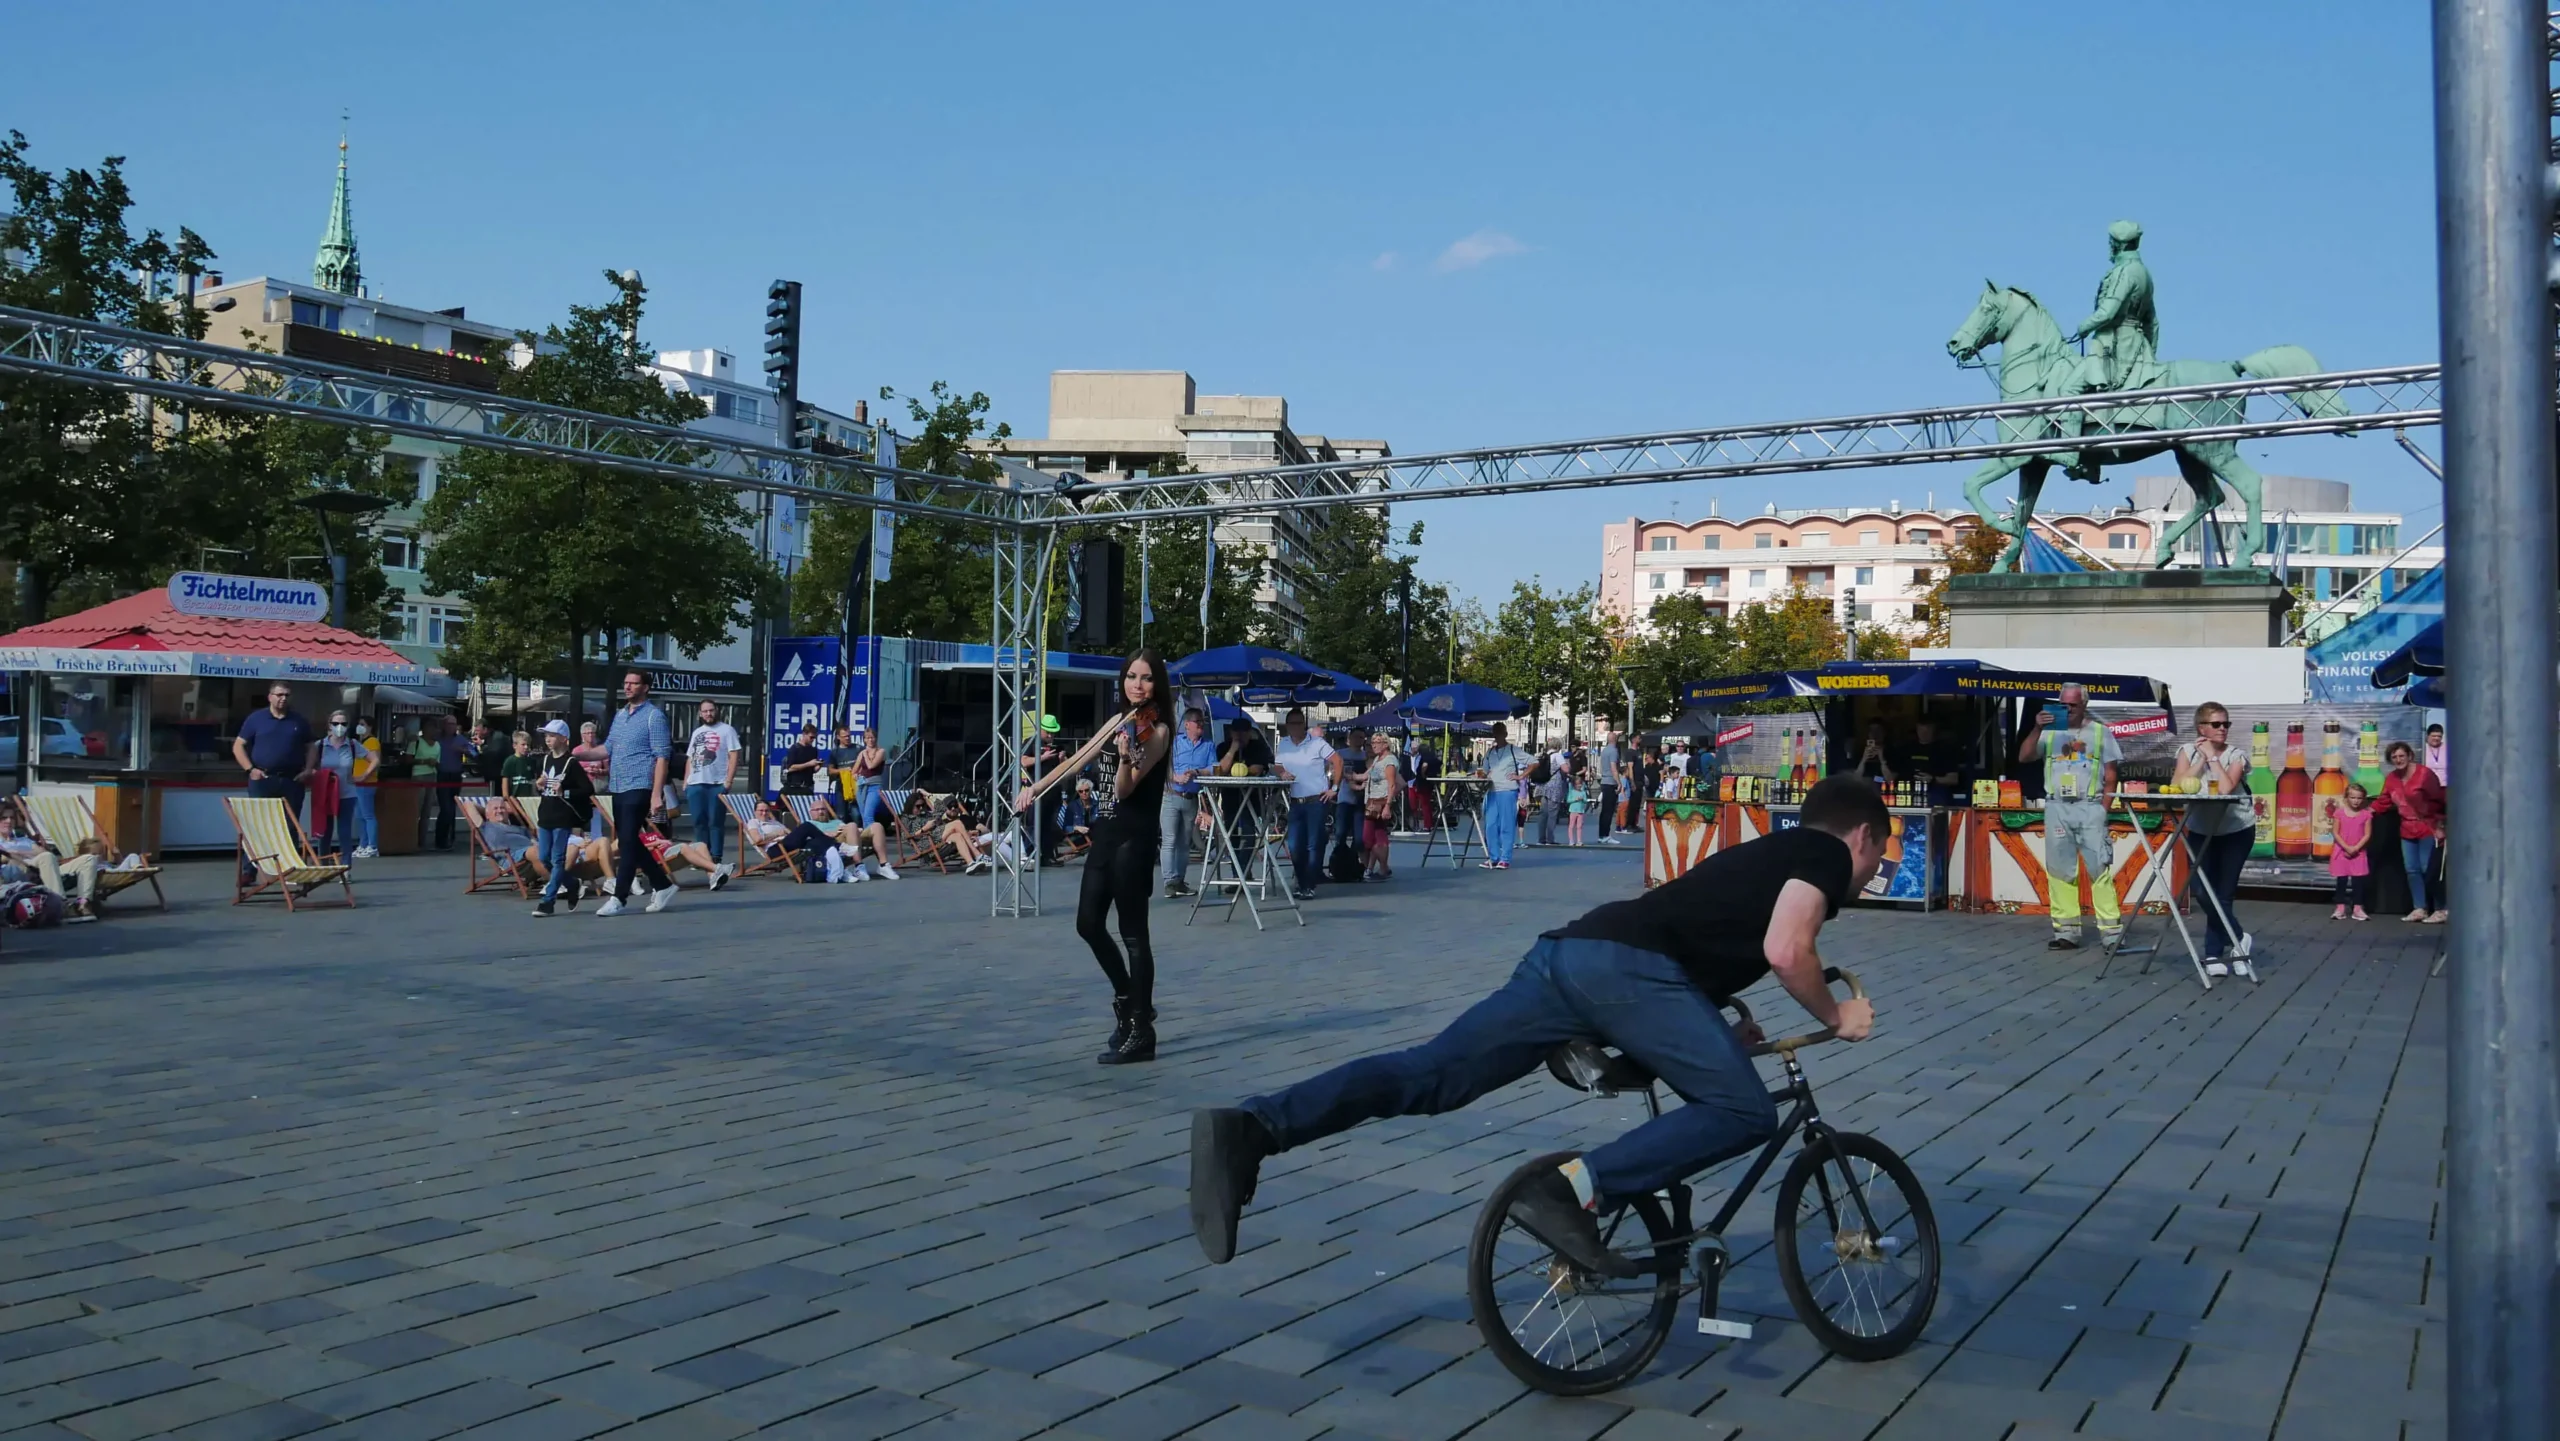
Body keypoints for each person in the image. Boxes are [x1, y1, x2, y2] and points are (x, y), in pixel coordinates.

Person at [1190, 775, 1890, 1271]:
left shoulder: (1766, 853)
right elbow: (1787, 949)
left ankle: (1254, 1127)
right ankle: (1572, 1189)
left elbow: (1701, 934)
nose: (1870, 873)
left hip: (1569, 954)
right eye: (1876, 857)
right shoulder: (1823, 854)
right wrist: (1838, 1013)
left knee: (1432, 1073)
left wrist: (1710, 1022)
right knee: (1743, 1109)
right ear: (1860, 835)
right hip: (1624, 971)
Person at [1014, 651, 1174, 1066]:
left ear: (1158, 685)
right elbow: (1077, 759)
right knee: (1087, 924)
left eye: (1146, 678)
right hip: (1106, 836)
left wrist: (1123, 758)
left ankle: (1142, 1028)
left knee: (1134, 934)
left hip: (1133, 840)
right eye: (1131, 677)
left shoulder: (1157, 731)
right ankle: (1128, 997)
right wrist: (1035, 788)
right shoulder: (1119, 721)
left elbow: (1123, 791)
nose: (1137, 685)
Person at [2019, 684, 2122, 951]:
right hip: (2057, 807)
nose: (2068, 709)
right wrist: (2037, 728)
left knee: (2099, 868)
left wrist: (2104, 808)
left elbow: (2111, 775)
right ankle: (2066, 932)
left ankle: (2111, 934)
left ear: (2085, 705)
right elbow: (2025, 756)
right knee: (2060, 870)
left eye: (2073, 705)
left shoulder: (2100, 732)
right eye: (2063, 704)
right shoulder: (2051, 731)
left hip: (2090, 807)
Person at [2170, 701, 2256, 979]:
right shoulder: (2186, 751)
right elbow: (2179, 784)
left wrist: (2214, 758)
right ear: (2202, 727)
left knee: (2223, 894)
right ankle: (2239, 938)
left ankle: (2212, 954)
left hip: (2235, 830)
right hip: (2200, 829)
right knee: (2202, 891)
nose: (2222, 729)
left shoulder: (2236, 755)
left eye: (2226, 724)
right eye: (2217, 724)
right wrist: (2201, 758)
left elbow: (2227, 787)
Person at [597, 671, 676, 916]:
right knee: (629, 840)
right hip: (618, 785)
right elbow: (606, 749)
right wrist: (575, 754)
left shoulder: (654, 717)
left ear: (646, 687)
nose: (628, 687)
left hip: (640, 784)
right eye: (626, 683)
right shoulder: (620, 715)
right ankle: (662, 884)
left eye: (634, 683)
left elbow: (662, 757)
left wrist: (656, 795)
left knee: (629, 838)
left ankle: (619, 898)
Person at [233, 683, 318, 884]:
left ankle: (289, 868)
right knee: (257, 825)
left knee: (290, 826)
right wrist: (250, 769)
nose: (283, 699)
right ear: (270, 697)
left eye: (287, 695)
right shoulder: (256, 719)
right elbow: (238, 746)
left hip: (291, 779)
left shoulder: (299, 720)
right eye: (279, 695)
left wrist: (308, 769)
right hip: (263, 778)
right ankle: (249, 870)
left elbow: (311, 747)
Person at [530, 719, 598, 917]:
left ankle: (548, 901)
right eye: (546, 736)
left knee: (558, 859)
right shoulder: (545, 760)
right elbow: (541, 785)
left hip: (562, 815)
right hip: (546, 813)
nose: (547, 739)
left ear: (563, 739)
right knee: (544, 857)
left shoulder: (571, 763)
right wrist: (539, 784)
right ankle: (571, 883)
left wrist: (565, 791)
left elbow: (587, 789)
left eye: (551, 736)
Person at [1272, 708, 1337, 902]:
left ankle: (1308, 884)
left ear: (1304, 725)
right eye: (1291, 723)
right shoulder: (1283, 743)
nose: (1294, 727)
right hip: (1296, 800)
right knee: (1294, 845)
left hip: (1316, 799)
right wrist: (1282, 772)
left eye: (1298, 723)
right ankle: (1302, 882)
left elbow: (1337, 761)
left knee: (1313, 843)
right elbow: (1276, 764)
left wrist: (1334, 787)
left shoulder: (1317, 743)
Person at [2379, 740, 2446, 923]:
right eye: (2394, 757)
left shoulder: (2425, 774)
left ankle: (2441, 908)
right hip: (2406, 829)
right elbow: (2384, 800)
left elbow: (2439, 800)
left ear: (2409, 756)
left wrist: (2441, 826)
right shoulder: (2392, 778)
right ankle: (2420, 908)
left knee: (2429, 869)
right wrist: (2364, 812)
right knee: (2412, 870)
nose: (2398, 759)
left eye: (2401, 755)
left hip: (2427, 827)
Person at [0, 809, 99, 919]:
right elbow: (5, 858)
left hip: (48, 868)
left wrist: (17, 852)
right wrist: (24, 855)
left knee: (88, 859)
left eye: (11, 818)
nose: (8, 821)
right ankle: (61, 904)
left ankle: (83, 903)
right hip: (24, 871)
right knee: (46, 857)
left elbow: (43, 852)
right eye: (4, 818)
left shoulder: (24, 840)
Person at [1160, 708, 1217, 898]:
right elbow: (1162, 767)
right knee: (1169, 840)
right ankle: (1169, 882)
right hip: (1171, 795)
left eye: (1202, 722)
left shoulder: (1208, 745)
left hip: (1191, 799)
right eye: (1197, 722)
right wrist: (1174, 777)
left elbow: (1213, 768)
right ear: (1187, 725)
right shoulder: (1175, 743)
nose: (1201, 725)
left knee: (1185, 842)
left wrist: (1197, 773)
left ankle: (1179, 880)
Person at [683, 702, 742, 866]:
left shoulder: (727, 730)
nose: (708, 714)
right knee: (698, 822)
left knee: (715, 822)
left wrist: (728, 781)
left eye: (711, 710)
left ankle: (716, 856)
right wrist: (686, 781)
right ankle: (702, 856)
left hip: (716, 783)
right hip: (695, 783)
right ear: (700, 714)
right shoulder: (697, 732)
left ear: (716, 711)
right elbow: (690, 757)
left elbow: (734, 755)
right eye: (705, 711)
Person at [313, 709, 363, 859]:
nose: (339, 726)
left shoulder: (353, 745)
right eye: (336, 723)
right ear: (329, 725)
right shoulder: (320, 745)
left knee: (344, 832)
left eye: (343, 723)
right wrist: (314, 774)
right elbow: (308, 763)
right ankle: (324, 865)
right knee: (324, 832)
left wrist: (362, 776)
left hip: (346, 793)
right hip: (326, 794)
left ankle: (345, 868)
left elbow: (375, 759)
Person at [1477, 722, 1525, 869]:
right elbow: (1484, 771)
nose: (1496, 736)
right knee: (1490, 824)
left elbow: (1533, 763)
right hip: (1492, 790)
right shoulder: (1490, 752)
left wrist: (1521, 776)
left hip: (1508, 790)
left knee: (1506, 824)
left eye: (1499, 732)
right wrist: (1481, 775)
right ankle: (1493, 856)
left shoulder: (1513, 750)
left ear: (1505, 734)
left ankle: (1505, 858)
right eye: (1494, 733)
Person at [2330, 783, 2373, 922]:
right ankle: (2340, 908)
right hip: (2341, 851)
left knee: (2358, 881)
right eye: (2352, 797)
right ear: (2346, 797)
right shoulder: (2339, 813)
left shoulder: (2366, 815)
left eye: (2359, 798)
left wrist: (2355, 848)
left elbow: (2367, 835)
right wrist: (2346, 847)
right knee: (2341, 880)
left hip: (2358, 852)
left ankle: (2358, 908)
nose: (2356, 800)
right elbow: (2335, 832)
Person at [1362, 729, 1401, 879]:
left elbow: (1393, 784)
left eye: (1377, 742)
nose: (1373, 745)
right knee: (1377, 836)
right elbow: (1365, 776)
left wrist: (1388, 805)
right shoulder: (1377, 759)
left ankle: (1381, 868)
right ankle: (1381, 869)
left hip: (1380, 801)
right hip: (1372, 801)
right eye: (1372, 742)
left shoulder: (1389, 761)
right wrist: (1348, 775)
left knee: (1368, 838)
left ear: (1385, 743)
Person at [432, 715, 470, 851]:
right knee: (446, 808)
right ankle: (440, 839)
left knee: (452, 808)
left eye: (454, 724)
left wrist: (464, 751)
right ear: (444, 725)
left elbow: (475, 753)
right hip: (442, 775)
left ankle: (450, 837)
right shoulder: (438, 738)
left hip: (455, 775)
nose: (452, 727)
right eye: (449, 724)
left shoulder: (460, 739)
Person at [1908, 719, 1964, 807]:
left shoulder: (1945, 750)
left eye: (1928, 729)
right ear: (1917, 729)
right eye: (1921, 729)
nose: (1924, 733)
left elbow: (1954, 779)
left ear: (1934, 730)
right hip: (1910, 796)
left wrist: (1933, 779)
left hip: (1936, 797)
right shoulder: (1907, 749)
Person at [348, 717, 382, 859]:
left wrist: (364, 775)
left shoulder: (372, 741)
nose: (359, 727)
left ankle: (372, 846)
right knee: (360, 816)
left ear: (370, 727)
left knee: (367, 815)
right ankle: (363, 844)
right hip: (358, 783)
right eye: (358, 724)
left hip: (367, 783)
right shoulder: (360, 743)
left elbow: (375, 761)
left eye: (362, 724)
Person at [573, 721, 613, 839]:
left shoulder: (600, 750)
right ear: (582, 735)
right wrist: (585, 770)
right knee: (581, 814)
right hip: (582, 788)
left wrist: (599, 771)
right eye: (588, 733)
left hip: (598, 787)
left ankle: (596, 837)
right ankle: (581, 838)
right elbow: (572, 770)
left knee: (596, 815)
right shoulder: (577, 751)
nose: (591, 735)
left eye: (593, 733)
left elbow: (608, 770)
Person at [1535, 743, 1571, 847]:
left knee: (1543, 813)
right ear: (1558, 747)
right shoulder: (1558, 756)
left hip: (1543, 786)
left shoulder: (1543, 756)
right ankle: (1550, 838)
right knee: (1552, 813)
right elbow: (1566, 770)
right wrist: (1568, 766)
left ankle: (1541, 839)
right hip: (1554, 786)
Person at [1593, 727, 1623, 845]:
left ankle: (1602, 834)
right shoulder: (1614, 751)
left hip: (1605, 781)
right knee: (1609, 810)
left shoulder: (1605, 750)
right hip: (1611, 782)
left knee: (1604, 810)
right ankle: (1605, 835)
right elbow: (1613, 767)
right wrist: (1619, 782)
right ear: (1615, 740)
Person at [780, 722, 825, 796]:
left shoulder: (813, 750)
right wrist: (808, 764)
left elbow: (812, 770)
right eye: (811, 737)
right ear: (804, 734)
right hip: (795, 785)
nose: (813, 740)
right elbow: (790, 767)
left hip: (808, 785)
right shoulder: (794, 749)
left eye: (814, 737)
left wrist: (819, 766)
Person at [1853, 721, 1897, 786]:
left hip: (1884, 792)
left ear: (1884, 733)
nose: (1875, 734)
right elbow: (1854, 779)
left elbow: (1890, 781)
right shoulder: (1860, 752)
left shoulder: (1892, 753)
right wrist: (1863, 760)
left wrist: (1882, 760)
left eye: (1878, 730)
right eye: (1871, 731)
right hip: (1865, 792)